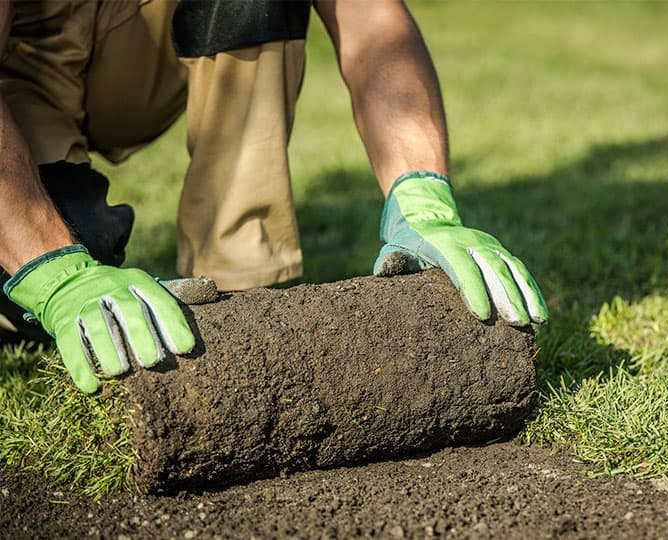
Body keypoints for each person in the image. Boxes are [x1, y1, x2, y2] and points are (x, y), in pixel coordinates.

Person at [0, 0, 547, 393]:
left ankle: (242, 302)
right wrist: (53, 270)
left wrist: (423, 196)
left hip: (131, 43)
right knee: (59, 244)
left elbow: (371, 18)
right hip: (16, 69)